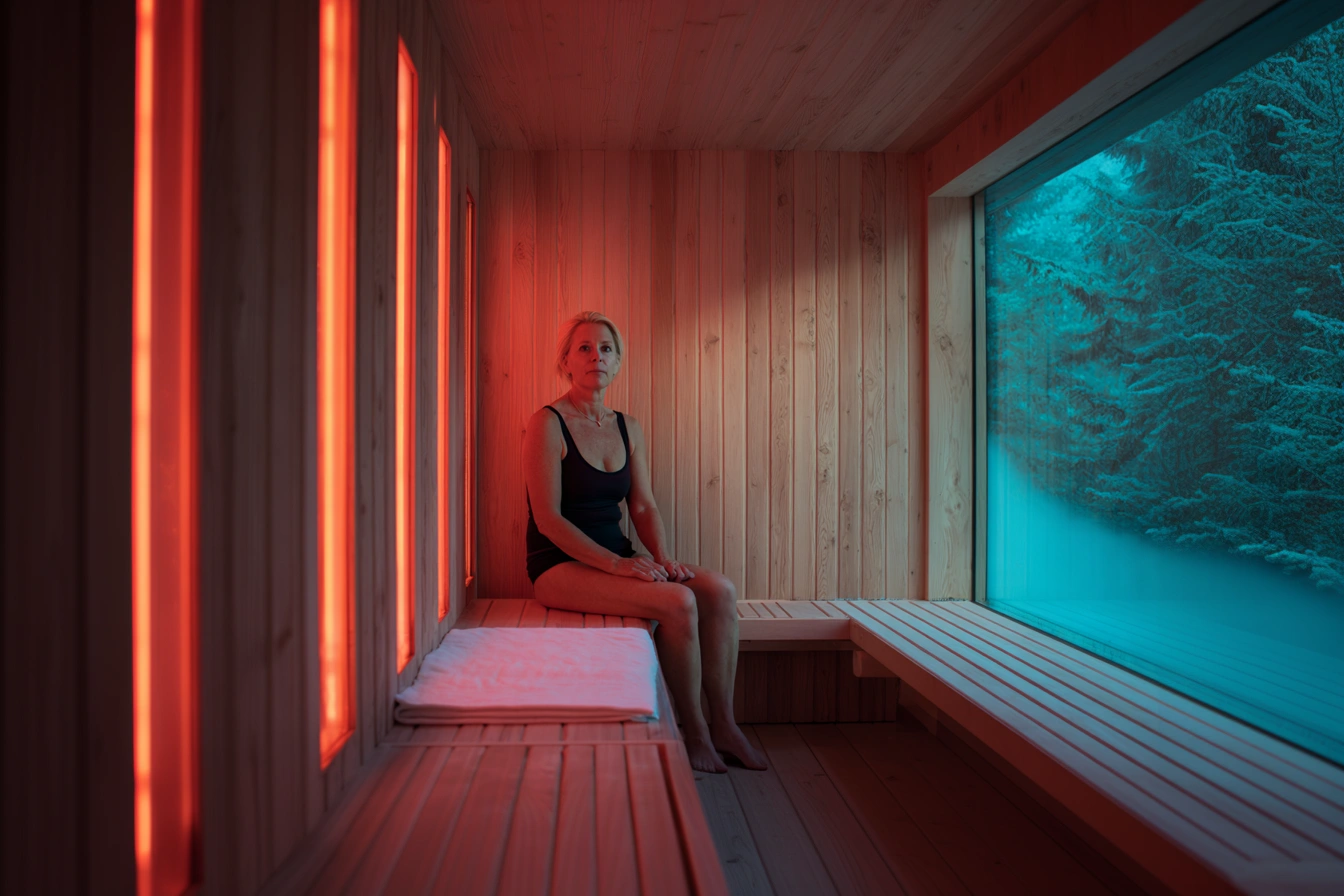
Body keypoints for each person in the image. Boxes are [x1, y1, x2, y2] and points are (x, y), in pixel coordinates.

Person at [522, 311, 769, 774]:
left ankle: (724, 724)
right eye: (585, 348)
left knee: (718, 591)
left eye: (607, 348)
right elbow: (549, 521)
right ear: (566, 363)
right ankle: (692, 733)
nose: (598, 356)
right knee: (677, 603)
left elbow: (643, 507)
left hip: (617, 558)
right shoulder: (547, 424)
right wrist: (618, 566)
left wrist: (662, 559)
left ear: (617, 363)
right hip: (558, 567)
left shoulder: (626, 426)